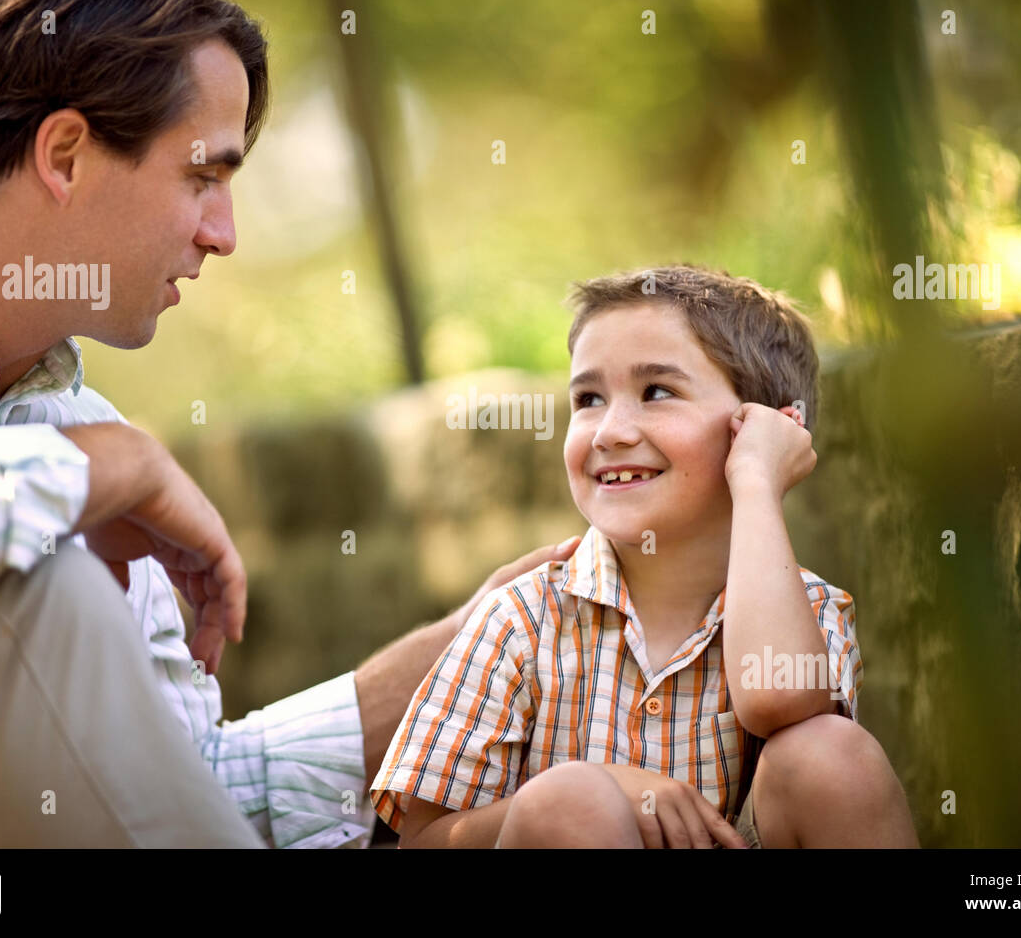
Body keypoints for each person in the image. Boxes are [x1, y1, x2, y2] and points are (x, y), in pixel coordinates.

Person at [0, 0, 580, 848]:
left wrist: (444, 665)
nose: (224, 234)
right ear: (67, 155)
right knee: (52, 585)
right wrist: (99, 474)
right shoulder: (102, 462)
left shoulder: (81, 427)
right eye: (201, 175)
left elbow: (163, 794)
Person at [371, 266, 921, 848]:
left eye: (656, 391)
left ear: (760, 428)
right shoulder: (521, 619)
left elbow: (776, 698)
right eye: (588, 398)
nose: (609, 431)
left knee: (830, 755)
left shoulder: (809, 608)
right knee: (572, 800)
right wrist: (594, 786)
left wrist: (757, 481)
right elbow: (425, 840)